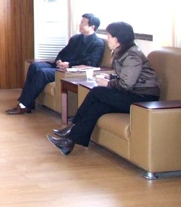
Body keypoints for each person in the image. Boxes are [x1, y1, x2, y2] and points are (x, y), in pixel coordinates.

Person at [48, 21, 160, 155]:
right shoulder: (123, 52)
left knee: (96, 92)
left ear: (117, 39)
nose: (107, 39)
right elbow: (126, 77)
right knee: (97, 107)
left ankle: (72, 127)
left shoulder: (132, 56)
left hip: (143, 97)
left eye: (109, 36)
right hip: (133, 92)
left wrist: (107, 83)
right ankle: (69, 142)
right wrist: (110, 78)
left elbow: (126, 85)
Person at [6, 13, 104, 115]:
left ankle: (24, 105)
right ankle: (28, 103)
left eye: (83, 23)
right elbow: (62, 52)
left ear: (92, 27)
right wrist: (59, 60)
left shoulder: (97, 43)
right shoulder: (75, 38)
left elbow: (91, 62)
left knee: (43, 73)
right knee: (34, 66)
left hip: (71, 71)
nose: (80, 25)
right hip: (59, 66)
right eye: (80, 22)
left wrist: (69, 64)